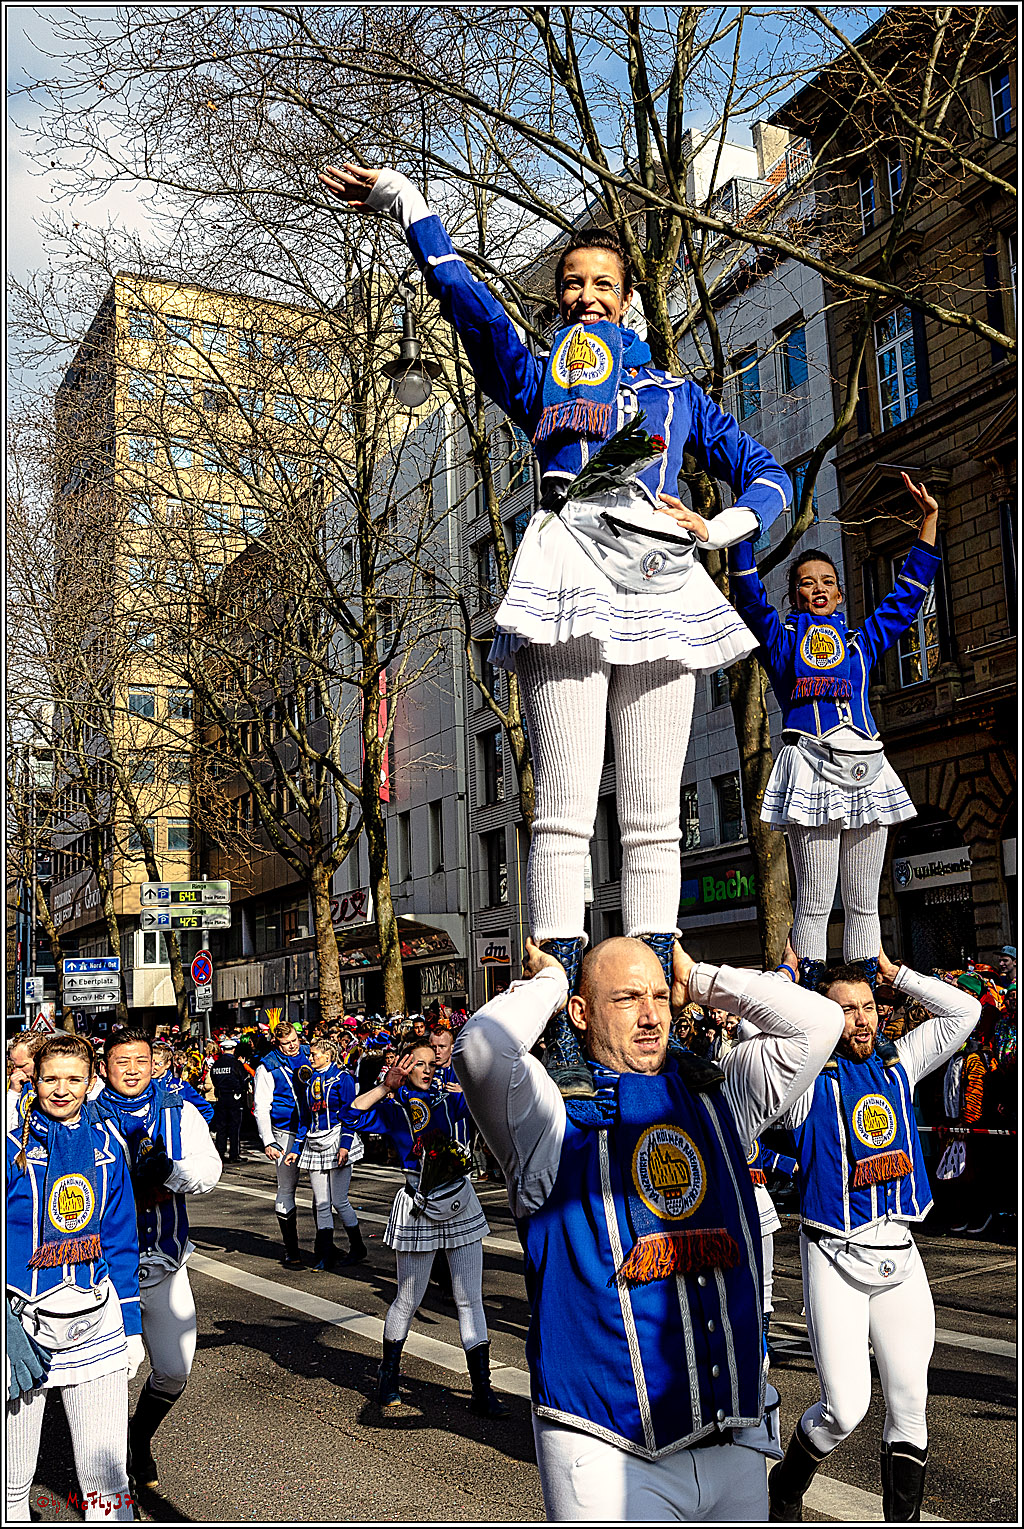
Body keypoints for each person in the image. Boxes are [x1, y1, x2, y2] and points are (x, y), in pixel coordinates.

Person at [320, 161, 792, 1059]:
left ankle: (655, 1001)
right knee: (566, 808)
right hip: (569, 572)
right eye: (571, 284)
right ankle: (567, 1016)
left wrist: (720, 523)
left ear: (628, 302)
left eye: (600, 285)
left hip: (657, 579)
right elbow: (467, 299)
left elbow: (771, 475)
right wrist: (408, 206)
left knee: (654, 813)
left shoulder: (677, 396)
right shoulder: (535, 377)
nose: (582, 296)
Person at [452, 934, 844, 1522]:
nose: (651, 1014)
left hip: (733, 1435)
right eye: (628, 998)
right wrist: (552, 981)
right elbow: (481, 1049)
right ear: (582, 1013)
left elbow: (819, 1022)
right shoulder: (550, 1116)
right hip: (605, 1444)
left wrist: (703, 978)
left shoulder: (721, 1096)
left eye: (660, 995)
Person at [766, 953, 981, 1522]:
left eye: (867, 1008)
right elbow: (748, 1042)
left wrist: (899, 977)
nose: (861, 1021)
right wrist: (788, 981)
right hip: (834, 1255)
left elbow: (965, 1013)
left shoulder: (900, 1064)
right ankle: (786, 1486)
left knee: (911, 1404)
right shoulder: (805, 1083)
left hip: (901, 1258)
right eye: (845, 1012)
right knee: (845, 1409)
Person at [728, 476, 941, 995]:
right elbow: (751, 599)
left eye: (827, 580)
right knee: (816, 900)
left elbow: (905, 599)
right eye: (806, 581)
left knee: (865, 900)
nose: (818, 587)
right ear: (795, 593)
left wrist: (929, 522)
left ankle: (865, 1006)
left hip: (867, 766)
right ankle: (817, 1005)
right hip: (811, 766)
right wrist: (740, 526)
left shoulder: (861, 642)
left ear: (840, 593)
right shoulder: (780, 642)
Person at [7, 1033, 144, 1521]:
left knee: (108, 1478)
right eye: (50, 1078)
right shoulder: (11, 1148)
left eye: (73, 1079)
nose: (61, 1090)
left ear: (91, 1082)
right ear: (33, 1081)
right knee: (12, 1484)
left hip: (96, 1324)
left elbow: (121, 1238)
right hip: (22, 1327)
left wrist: (131, 1327)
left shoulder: (109, 1145)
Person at [344, 1041, 507, 1419]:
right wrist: (386, 1086)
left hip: (460, 1201)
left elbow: (499, 1099)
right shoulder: (394, 1107)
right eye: (419, 1063)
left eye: (432, 1063)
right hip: (418, 1202)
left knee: (469, 1299)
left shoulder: (451, 1099)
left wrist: (472, 1089)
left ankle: (482, 1389)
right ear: (403, 1065)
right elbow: (350, 1115)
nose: (428, 1069)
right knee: (409, 1298)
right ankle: (388, 1376)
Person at [92, 1028, 222, 1492]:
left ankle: (138, 1436)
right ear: (104, 1066)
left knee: (173, 1369)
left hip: (165, 1260)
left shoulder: (180, 1110)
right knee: (108, 1375)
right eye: (121, 1060)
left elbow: (209, 1173)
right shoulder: (86, 1116)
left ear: (155, 1064)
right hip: (103, 1271)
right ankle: (105, 1473)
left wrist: (168, 1171)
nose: (131, 1069)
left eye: (141, 1060)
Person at [284, 1037, 367, 1270]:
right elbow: (305, 1117)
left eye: (314, 1054)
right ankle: (325, 1253)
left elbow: (351, 1113)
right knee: (321, 1202)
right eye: (310, 1054)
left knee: (339, 1201)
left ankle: (357, 1247)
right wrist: (295, 1149)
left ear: (328, 1055)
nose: (310, 1058)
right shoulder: (310, 1080)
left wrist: (345, 1144)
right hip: (315, 1140)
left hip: (337, 1138)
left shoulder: (344, 1079)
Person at [253, 1019, 312, 1267]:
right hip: (285, 1132)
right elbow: (261, 1108)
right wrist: (268, 1141)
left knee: (324, 1192)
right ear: (277, 1043)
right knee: (287, 1187)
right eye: (286, 1043)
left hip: (315, 1129)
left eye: (294, 1041)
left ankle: (326, 1246)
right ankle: (291, 1249)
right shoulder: (267, 1067)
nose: (292, 1047)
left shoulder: (310, 1054)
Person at [209, 1038, 248, 1162]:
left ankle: (220, 1153)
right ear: (234, 1049)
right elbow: (244, 1080)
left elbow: (213, 1078)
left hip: (221, 1097)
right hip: (234, 1097)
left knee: (221, 1127)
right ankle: (234, 1154)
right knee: (234, 1127)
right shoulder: (236, 1064)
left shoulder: (216, 1064)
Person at [6, 1030, 45, 1134]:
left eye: (22, 1066)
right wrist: (13, 1093)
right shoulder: (18, 1084)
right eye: (14, 1065)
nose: (16, 1071)